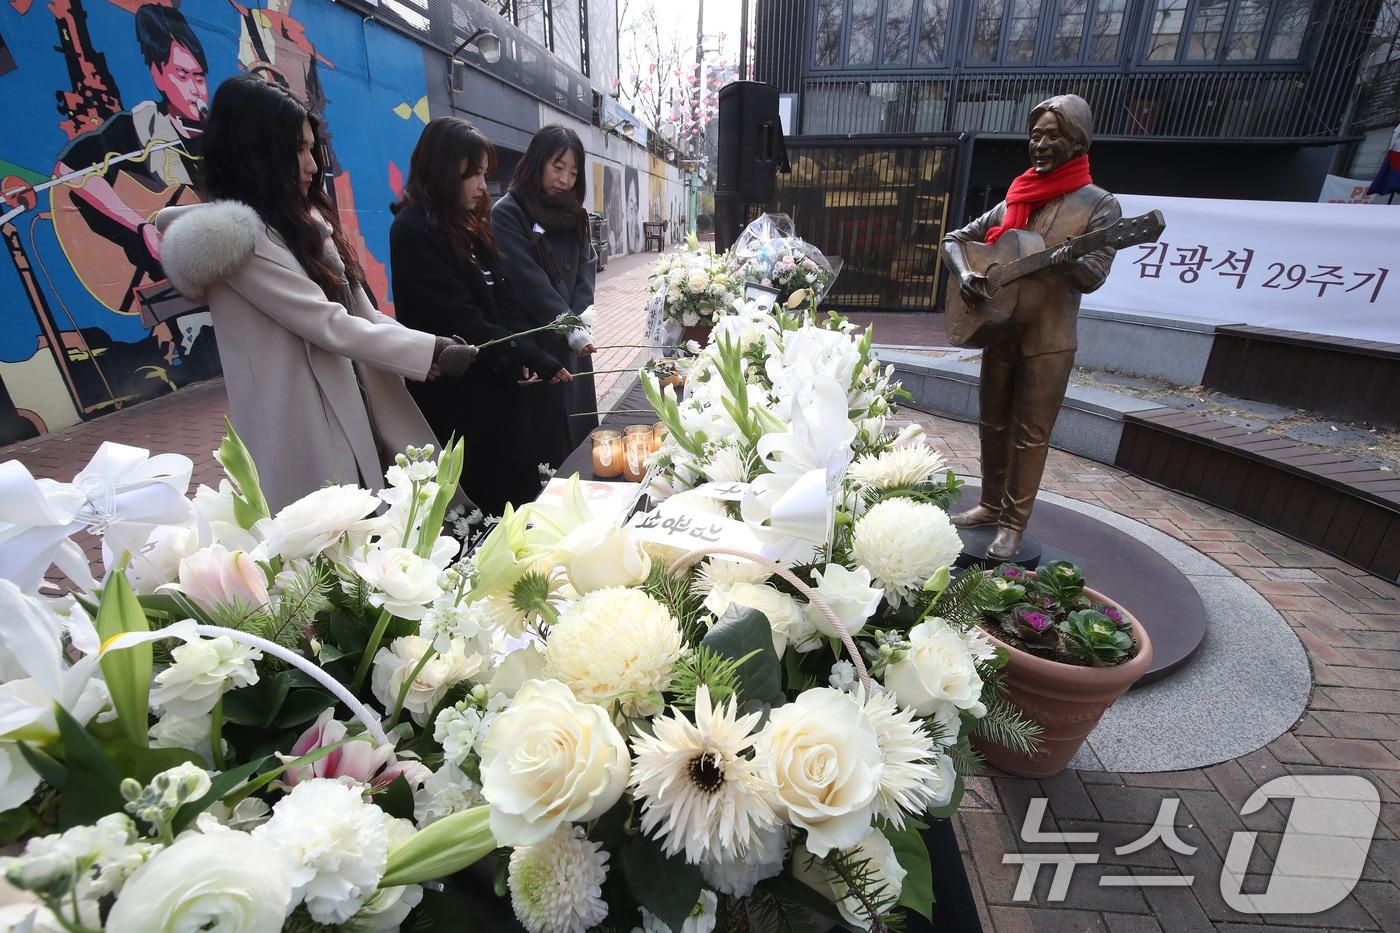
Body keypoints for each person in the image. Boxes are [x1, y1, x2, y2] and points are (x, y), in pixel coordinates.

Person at [155, 75, 473, 511]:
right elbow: (327, 322)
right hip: (299, 426)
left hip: (346, 404)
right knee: (333, 552)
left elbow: (361, 312)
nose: (311, 165)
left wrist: (424, 349)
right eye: (297, 150)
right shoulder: (238, 241)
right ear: (258, 153)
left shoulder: (301, 226)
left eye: (311, 148)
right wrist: (425, 350)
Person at [942, 94, 1121, 560]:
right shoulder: (1013, 199)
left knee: (1030, 433)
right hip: (1001, 330)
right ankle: (988, 505)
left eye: (1051, 136)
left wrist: (1071, 261)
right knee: (992, 424)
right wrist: (966, 274)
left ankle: (1013, 524)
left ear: (1077, 141)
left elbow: (1095, 276)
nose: (1039, 145)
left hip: (1049, 339)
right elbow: (954, 239)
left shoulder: (1100, 206)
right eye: (1035, 136)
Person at [391, 117, 573, 516]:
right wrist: (530, 354)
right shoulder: (414, 230)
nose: (480, 185)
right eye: (470, 174)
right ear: (441, 170)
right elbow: (460, 320)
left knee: (519, 495)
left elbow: (503, 296)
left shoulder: (467, 223)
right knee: (485, 504)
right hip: (460, 401)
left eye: (482, 173)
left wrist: (523, 347)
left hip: (495, 387)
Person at [55, 4, 209, 351]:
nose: (195, 90)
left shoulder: (224, 136)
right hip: (176, 290)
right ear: (157, 75)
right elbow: (70, 170)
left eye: (200, 78)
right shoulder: (139, 128)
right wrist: (139, 227)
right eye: (182, 76)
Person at [492, 124, 599, 465]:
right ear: (537, 161)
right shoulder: (509, 212)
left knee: (582, 434)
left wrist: (579, 319)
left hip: (575, 340)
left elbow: (587, 266)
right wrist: (569, 325)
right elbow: (528, 279)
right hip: (538, 344)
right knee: (548, 442)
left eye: (572, 172)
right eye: (557, 167)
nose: (565, 179)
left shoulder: (575, 214)